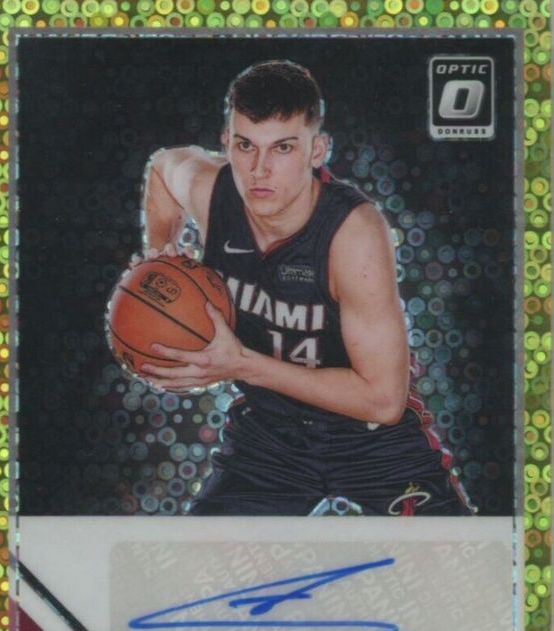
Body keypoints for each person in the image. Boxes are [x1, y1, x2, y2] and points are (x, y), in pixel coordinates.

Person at [138, 60, 473, 516]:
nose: (259, 170)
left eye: (282, 148)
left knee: (460, 560)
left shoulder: (352, 233)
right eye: (245, 146)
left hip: (374, 443)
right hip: (269, 438)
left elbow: (383, 400)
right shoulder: (212, 194)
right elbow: (162, 168)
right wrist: (162, 254)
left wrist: (242, 364)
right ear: (226, 143)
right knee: (194, 560)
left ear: (317, 151)